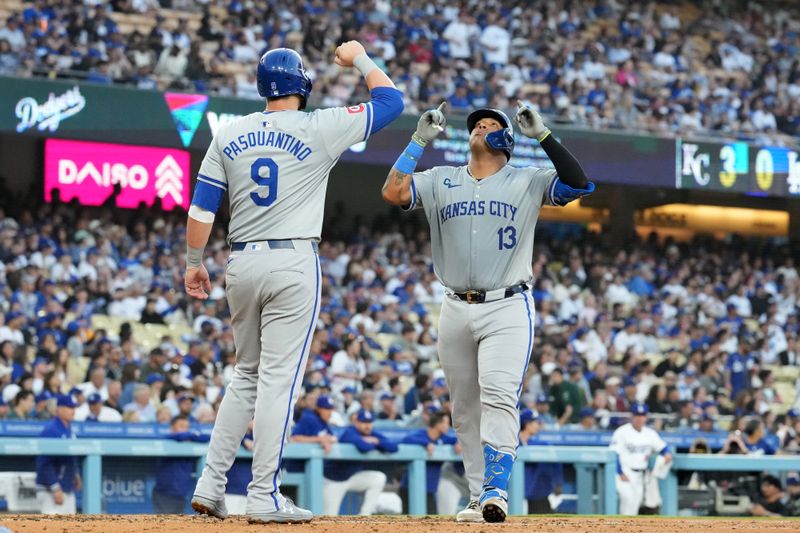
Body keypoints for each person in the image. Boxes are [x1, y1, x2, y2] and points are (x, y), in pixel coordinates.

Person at [188, 42, 403, 524]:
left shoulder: (230, 132)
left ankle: (210, 484)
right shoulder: (319, 124)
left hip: (240, 262)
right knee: (278, 382)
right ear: (302, 85)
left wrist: (192, 261)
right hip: (291, 260)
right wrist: (362, 59)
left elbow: (201, 208)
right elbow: (393, 103)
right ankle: (263, 495)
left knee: (245, 375)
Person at [381, 99, 593, 522]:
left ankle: (497, 488)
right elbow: (393, 192)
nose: (481, 127)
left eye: (491, 123)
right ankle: (480, 496)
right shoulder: (441, 179)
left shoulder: (527, 179)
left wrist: (544, 135)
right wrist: (418, 139)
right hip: (455, 306)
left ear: (505, 139)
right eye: (477, 124)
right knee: (463, 409)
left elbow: (578, 184)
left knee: (498, 393)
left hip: (506, 304)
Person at [323, 408, 398, 515]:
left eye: (369, 422)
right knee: (328, 517)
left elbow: (394, 447)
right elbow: (364, 447)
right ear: (356, 422)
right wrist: (372, 442)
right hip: (333, 480)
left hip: (352, 477)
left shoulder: (371, 434)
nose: (367, 425)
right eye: (364, 422)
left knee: (378, 478)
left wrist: (376, 441)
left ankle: (365, 515)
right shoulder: (349, 432)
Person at [609, 403, 672, 515]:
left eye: (642, 415)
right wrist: (620, 472)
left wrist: (667, 454)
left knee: (635, 503)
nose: (640, 418)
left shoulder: (650, 433)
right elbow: (614, 453)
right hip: (625, 471)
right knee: (627, 498)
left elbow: (663, 447)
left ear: (646, 417)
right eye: (637, 415)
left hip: (640, 475)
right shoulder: (622, 432)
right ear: (632, 416)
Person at [400, 410, 460, 515]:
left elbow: (455, 439)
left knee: (431, 520)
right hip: (410, 487)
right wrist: (426, 443)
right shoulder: (421, 434)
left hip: (430, 488)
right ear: (438, 424)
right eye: (446, 423)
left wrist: (457, 442)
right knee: (408, 521)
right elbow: (406, 439)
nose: (448, 426)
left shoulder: (443, 438)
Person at [152, 415, 210, 513]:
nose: (185, 430)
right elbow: (179, 436)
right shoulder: (167, 439)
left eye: (187, 427)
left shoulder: (188, 443)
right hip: (164, 494)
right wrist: (192, 435)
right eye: (181, 426)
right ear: (172, 428)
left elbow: (206, 437)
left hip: (181, 495)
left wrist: (190, 436)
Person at [35, 395, 81, 514]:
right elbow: (44, 462)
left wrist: (75, 474)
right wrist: (55, 488)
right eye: (69, 407)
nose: (72, 410)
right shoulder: (51, 429)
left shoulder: (69, 430)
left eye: (73, 407)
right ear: (58, 409)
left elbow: (70, 457)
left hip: (66, 488)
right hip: (49, 490)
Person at [519, 409, 563, 513]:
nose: (538, 425)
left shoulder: (541, 445)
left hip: (536, 497)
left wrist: (558, 483)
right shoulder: (513, 444)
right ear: (527, 424)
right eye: (535, 422)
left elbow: (556, 462)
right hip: (514, 494)